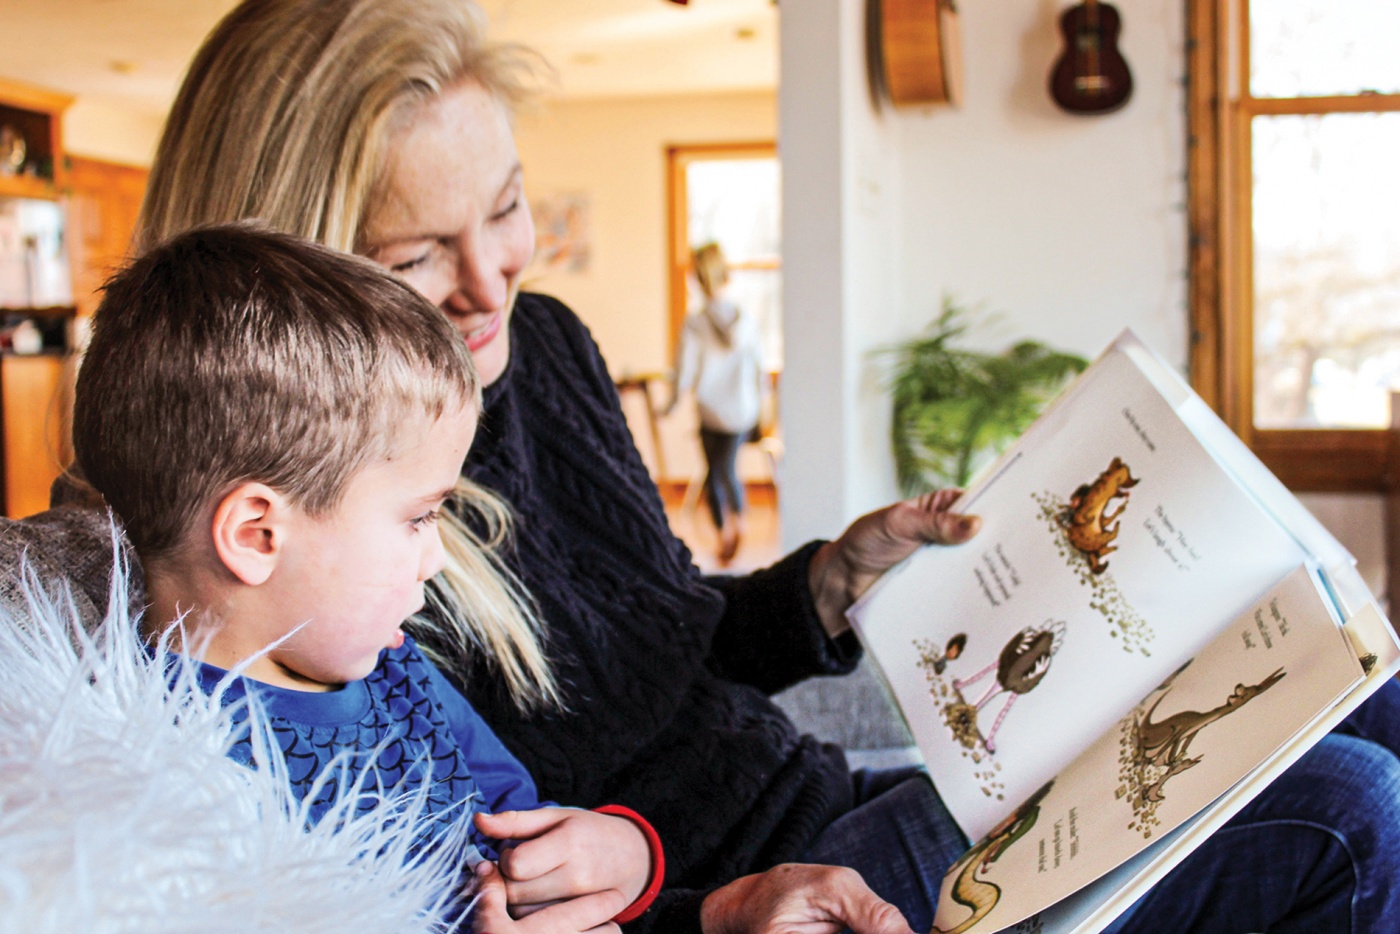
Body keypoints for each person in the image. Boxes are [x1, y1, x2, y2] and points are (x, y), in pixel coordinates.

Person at [38, 0, 1400, 930]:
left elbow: (672, 636)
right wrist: (663, 872)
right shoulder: (309, 553)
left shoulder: (546, 344)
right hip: (767, 880)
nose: (486, 284)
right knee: (1359, 812)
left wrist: (826, 582)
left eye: (506, 207)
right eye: (409, 261)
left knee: (1362, 694)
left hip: (829, 798)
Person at [69, 223, 665, 933]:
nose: (437, 557)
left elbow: (520, 826)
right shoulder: (165, 777)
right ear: (258, 535)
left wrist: (621, 854)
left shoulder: (392, 669)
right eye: (418, 519)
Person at [664, 242, 768, 564]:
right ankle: (739, 522)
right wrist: (762, 408)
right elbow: (759, 370)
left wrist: (670, 404)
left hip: (712, 411)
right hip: (742, 410)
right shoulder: (745, 320)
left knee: (715, 470)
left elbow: (685, 370)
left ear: (697, 278)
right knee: (728, 469)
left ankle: (725, 530)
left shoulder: (695, 324)